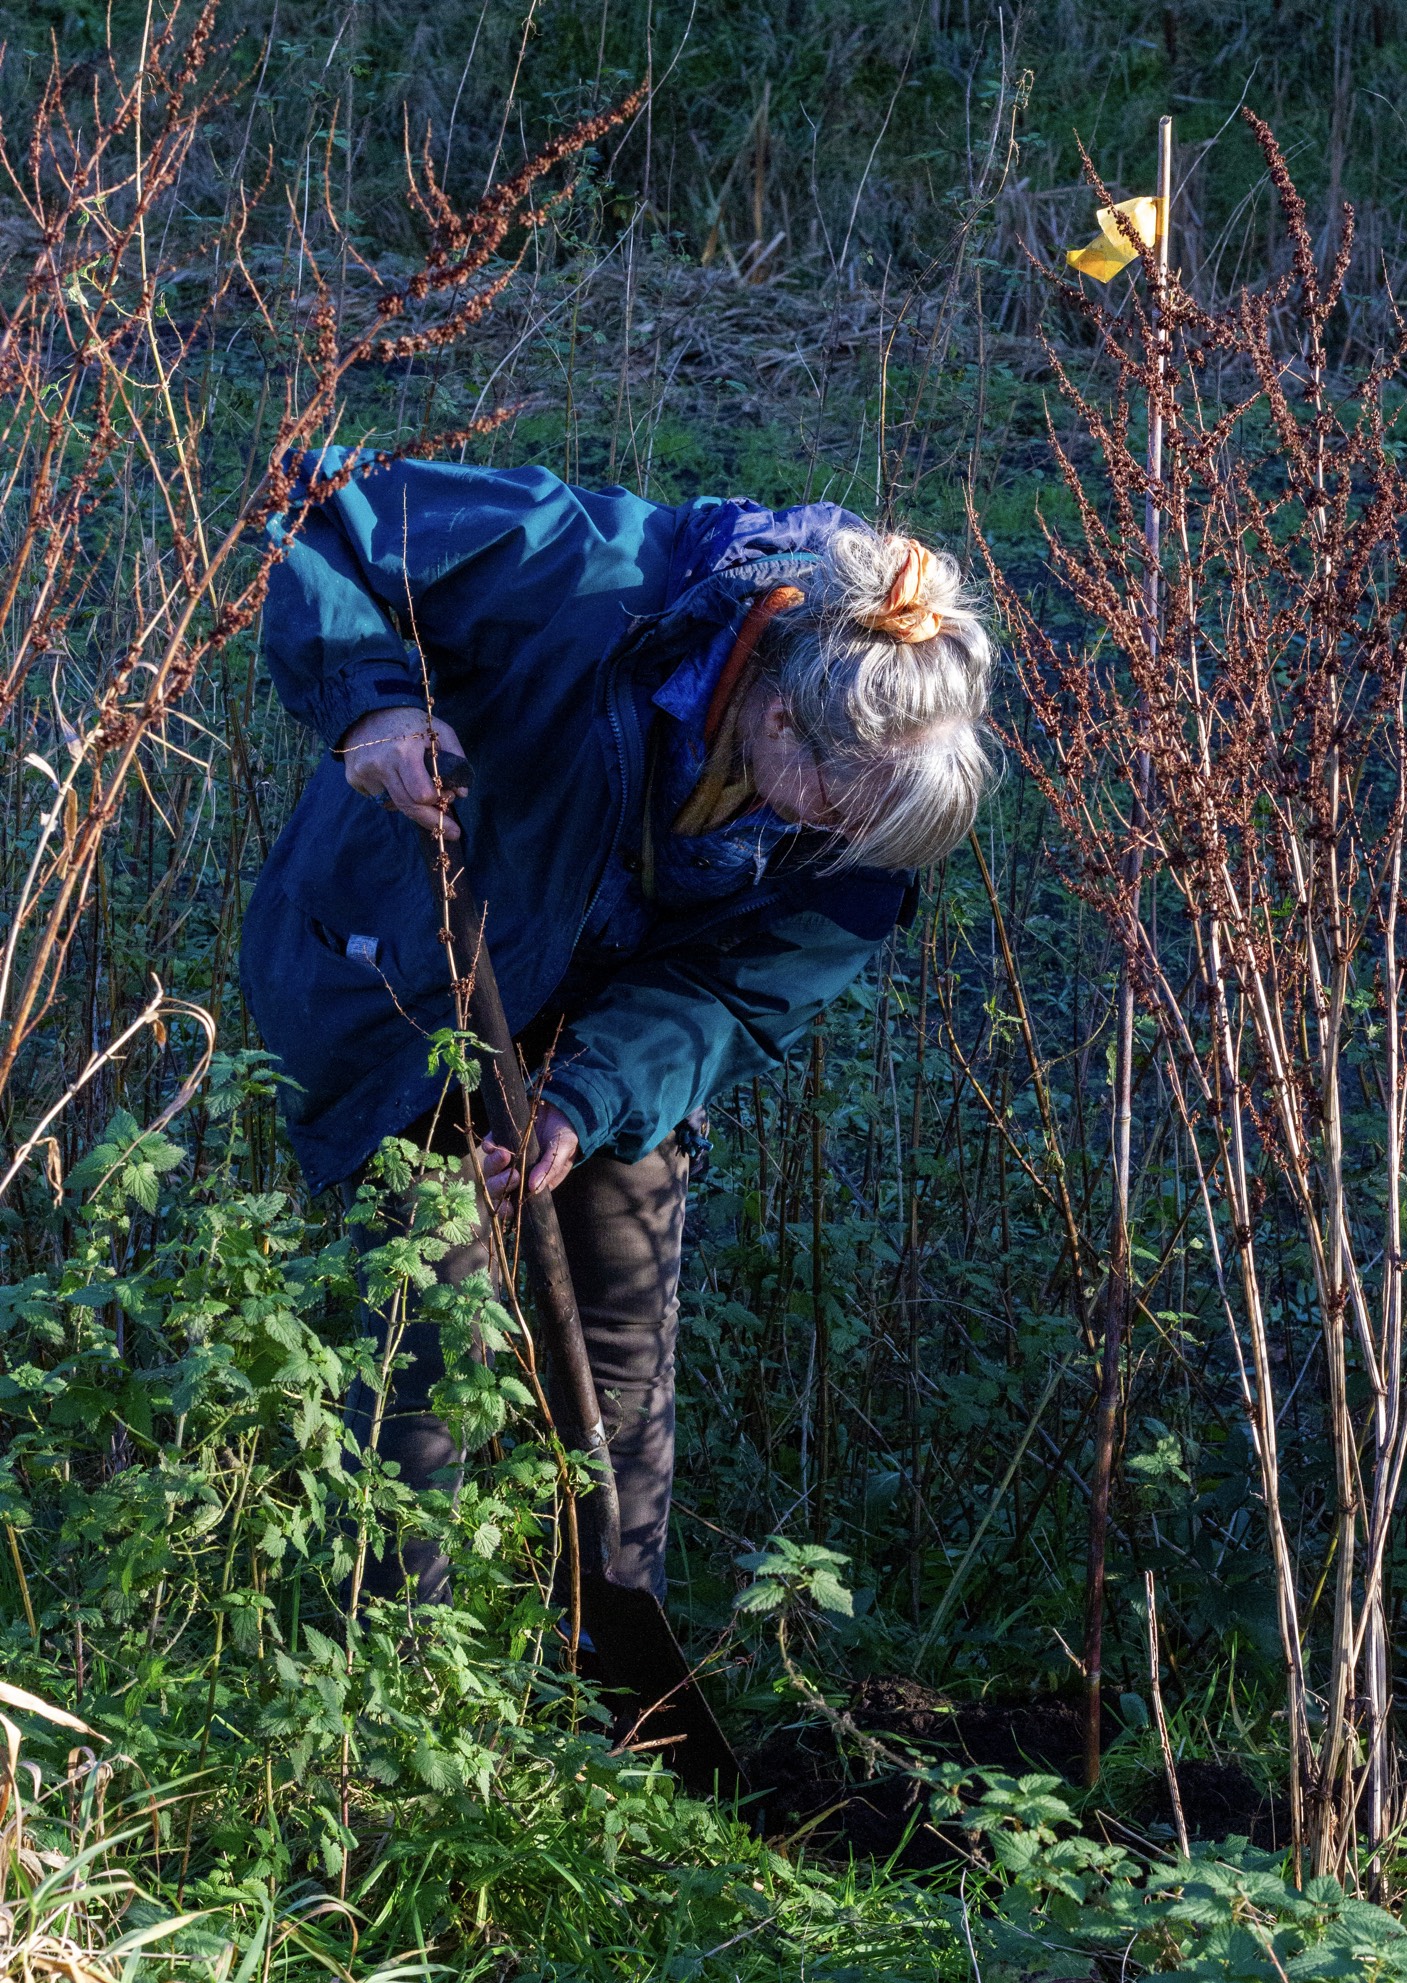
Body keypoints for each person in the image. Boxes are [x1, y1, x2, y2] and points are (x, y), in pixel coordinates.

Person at [242, 453, 994, 1609]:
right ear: (776, 717)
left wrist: (584, 1101)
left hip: (604, 1024)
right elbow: (324, 509)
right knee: (433, 1313)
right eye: (837, 807)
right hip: (416, 976)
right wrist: (379, 708)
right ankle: (385, 1654)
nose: (840, 840)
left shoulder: (861, 820)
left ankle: (610, 1659)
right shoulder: (587, 568)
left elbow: (738, 988)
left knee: (620, 1329)